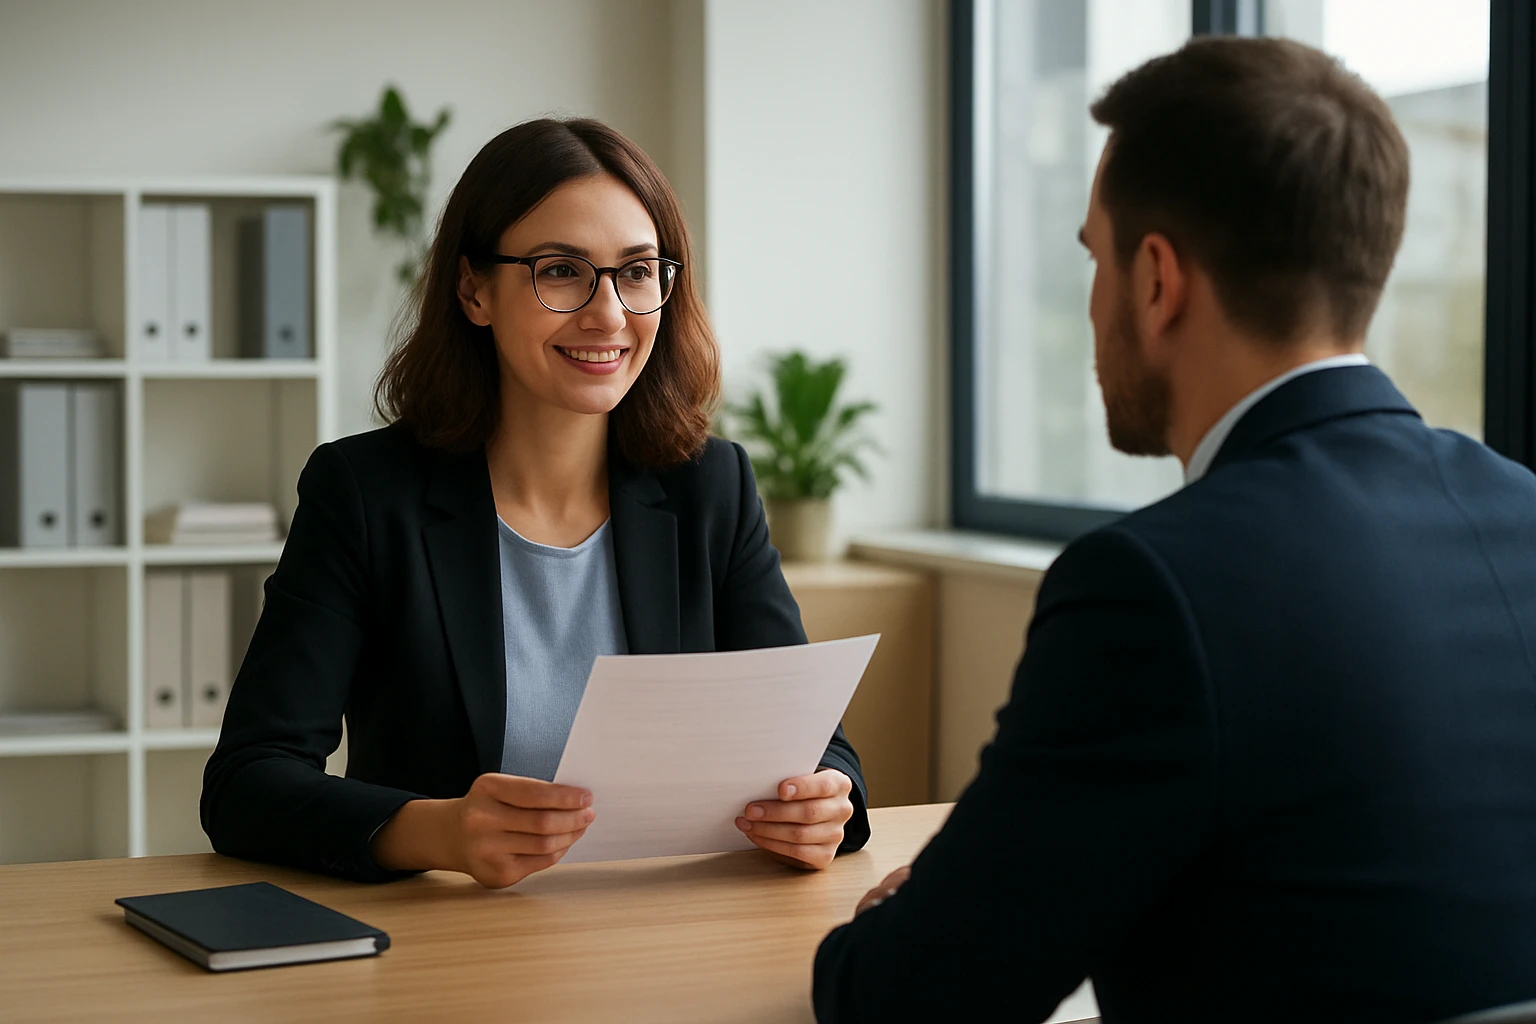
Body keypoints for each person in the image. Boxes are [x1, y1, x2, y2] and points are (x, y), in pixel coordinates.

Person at [813, 36, 1536, 1024]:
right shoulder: (1523, 507)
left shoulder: (1155, 587)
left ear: (1157, 280)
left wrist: (889, 932)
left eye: (1093, 259)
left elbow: (918, 1001)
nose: (1096, 301)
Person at [201, 118, 867, 888]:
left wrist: (823, 803)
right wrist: (435, 832)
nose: (609, 314)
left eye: (638, 271)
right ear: (473, 289)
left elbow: (818, 746)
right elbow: (247, 783)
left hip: (663, 935)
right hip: (451, 951)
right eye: (560, 271)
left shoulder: (710, 487)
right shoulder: (363, 494)